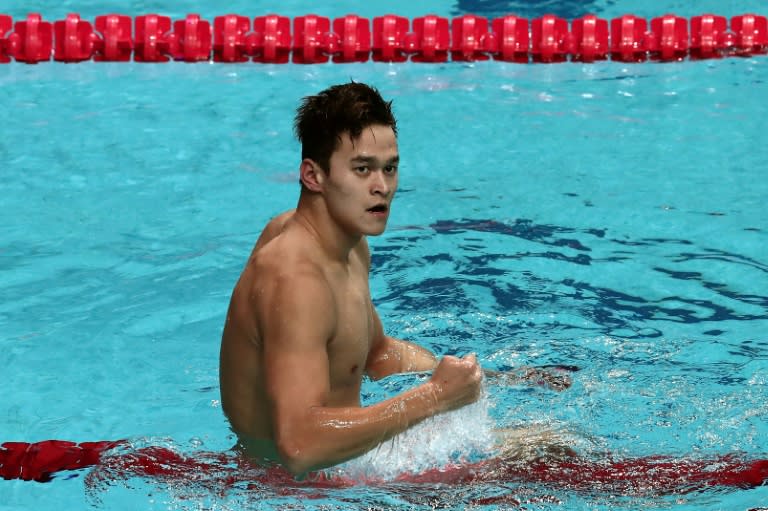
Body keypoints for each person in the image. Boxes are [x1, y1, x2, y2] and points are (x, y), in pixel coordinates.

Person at [219, 82, 484, 477]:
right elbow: (300, 446)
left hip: (342, 470)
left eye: (389, 168)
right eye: (363, 169)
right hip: (295, 494)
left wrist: (476, 380)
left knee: (544, 445)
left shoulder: (348, 247)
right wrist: (434, 398)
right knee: (541, 466)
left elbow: (374, 353)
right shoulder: (295, 279)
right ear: (313, 175)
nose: (382, 186)